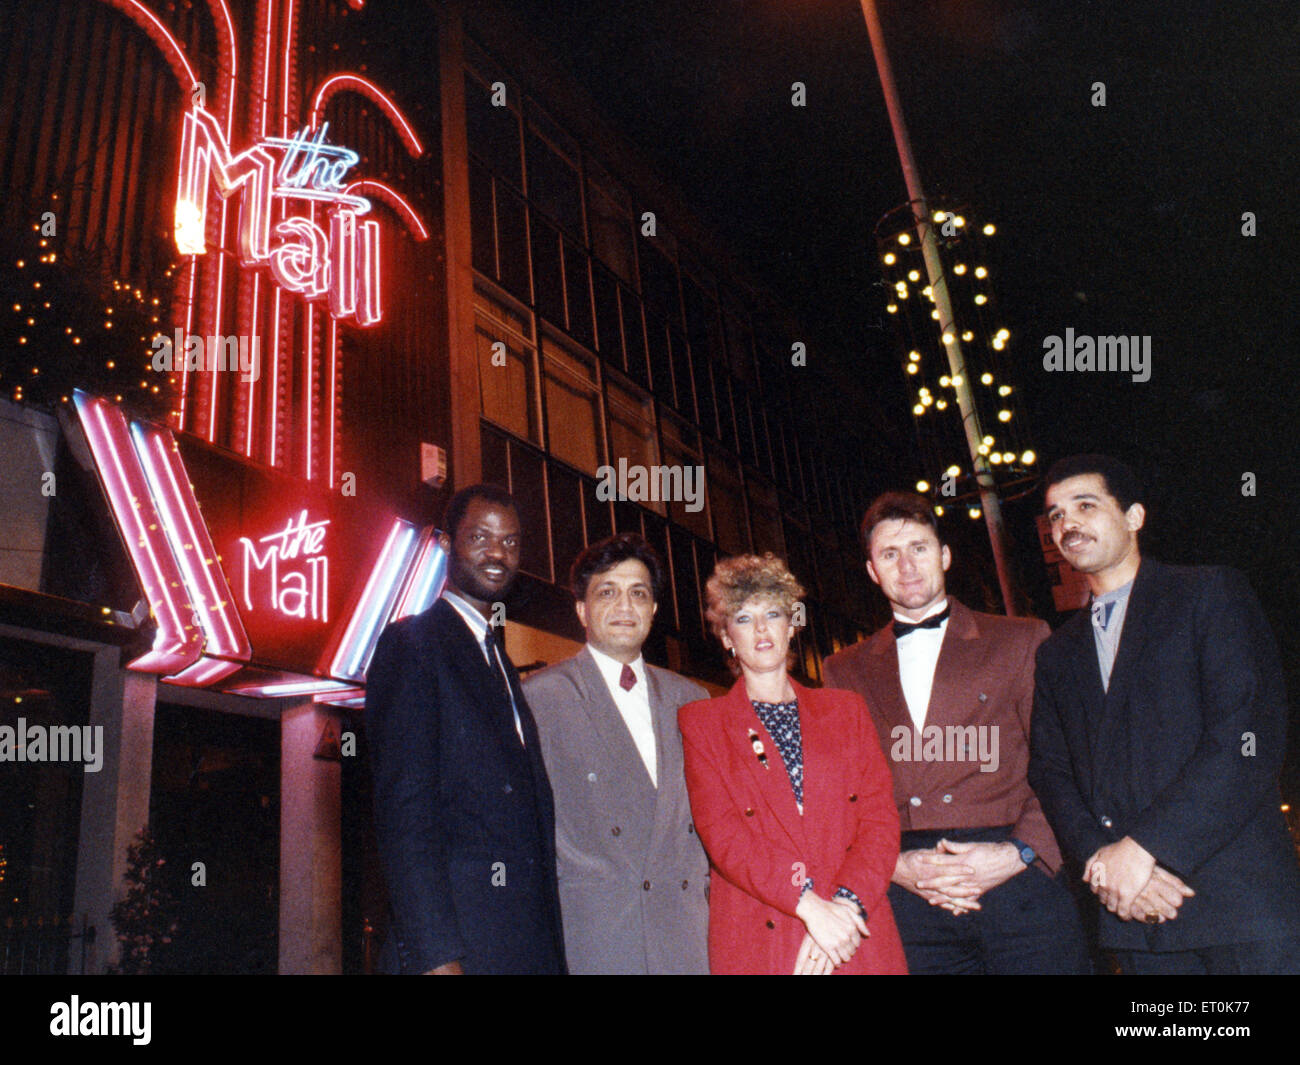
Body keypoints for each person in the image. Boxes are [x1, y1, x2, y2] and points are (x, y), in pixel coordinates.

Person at [1030, 454, 1300, 974]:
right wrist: (1103, 863)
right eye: (1057, 514)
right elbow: (1051, 771)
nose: (1068, 524)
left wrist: (1145, 848)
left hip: (1238, 904)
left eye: (1085, 505)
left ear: (1134, 517)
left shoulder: (1206, 593)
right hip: (1133, 914)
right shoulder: (1056, 652)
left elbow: (1244, 737)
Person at [823, 492, 1089, 974]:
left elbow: (1064, 761)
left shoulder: (1021, 639)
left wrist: (1019, 852)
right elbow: (843, 794)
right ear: (871, 571)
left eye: (919, 548)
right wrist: (893, 866)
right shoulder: (844, 669)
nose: (906, 566)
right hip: (910, 891)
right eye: (889, 554)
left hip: (1017, 881)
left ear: (944, 556)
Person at [365, 484, 566, 974]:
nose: (498, 553)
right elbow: (406, 816)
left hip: (521, 947)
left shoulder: (496, 658)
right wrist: (438, 958)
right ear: (445, 543)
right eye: (480, 537)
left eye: (512, 542)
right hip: (460, 952)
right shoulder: (414, 645)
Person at [679, 553, 907, 975]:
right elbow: (724, 835)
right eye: (743, 619)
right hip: (762, 934)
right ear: (726, 636)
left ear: (792, 624)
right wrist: (811, 910)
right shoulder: (701, 723)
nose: (761, 628)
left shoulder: (846, 710)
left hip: (853, 927)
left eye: (772, 613)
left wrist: (842, 910)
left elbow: (879, 820)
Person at [523, 533, 709, 974]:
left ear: (654, 610)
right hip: (597, 941)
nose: (625, 606)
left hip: (687, 940)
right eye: (607, 592)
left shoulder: (694, 700)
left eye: (638, 593)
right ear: (581, 610)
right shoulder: (540, 698)